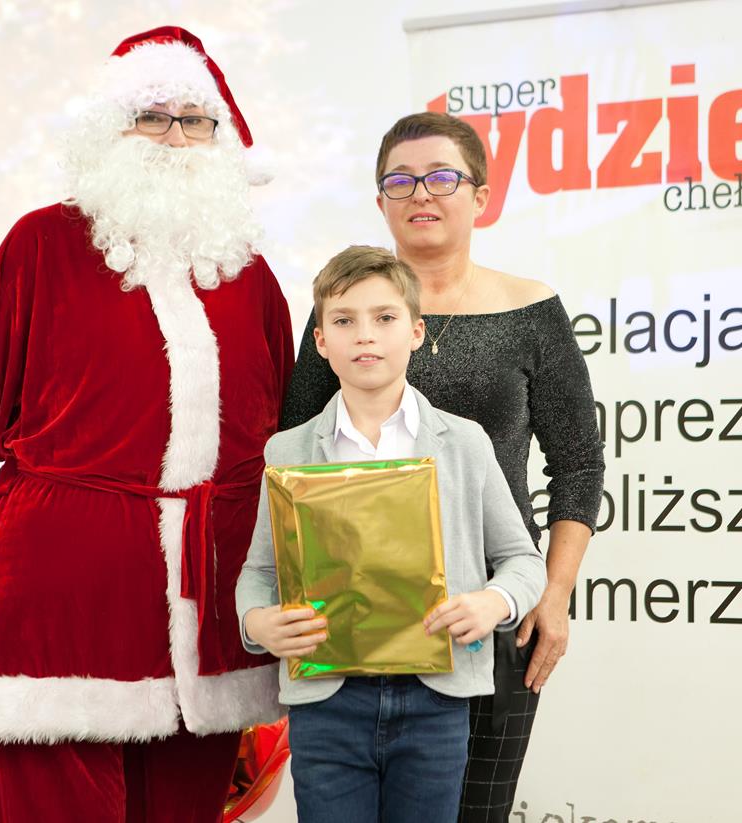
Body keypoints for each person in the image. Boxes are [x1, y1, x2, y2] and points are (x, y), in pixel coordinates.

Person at [0, 26, 292, 823]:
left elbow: (288, 444)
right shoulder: (38, 246)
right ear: (108, 131)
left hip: (211, 620)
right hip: (52, 609)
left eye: (194, 120)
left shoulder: (249, 273)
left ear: (221, 138)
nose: (175, 137)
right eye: (152, 117)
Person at [280, 112, 605, 822]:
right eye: (399, 181)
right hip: (356, 618)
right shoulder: (342, 313)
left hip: (495, 609)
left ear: (480, 195)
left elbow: (579, 464)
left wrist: (553, 593)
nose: (420, 193)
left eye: (441, 177)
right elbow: (294, 454)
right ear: (380, 202)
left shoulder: (531, 310)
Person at [237, 245, 546, 823]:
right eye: (344, 321)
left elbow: (523, 561)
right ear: (321, 341)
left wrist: (494, 601)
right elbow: (259, 569)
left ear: (416, 332)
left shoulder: (465, 443)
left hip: (436, 701)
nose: (365, 336)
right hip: (326, 705)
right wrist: (256, 622)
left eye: (384, 318)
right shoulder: (288, 450)